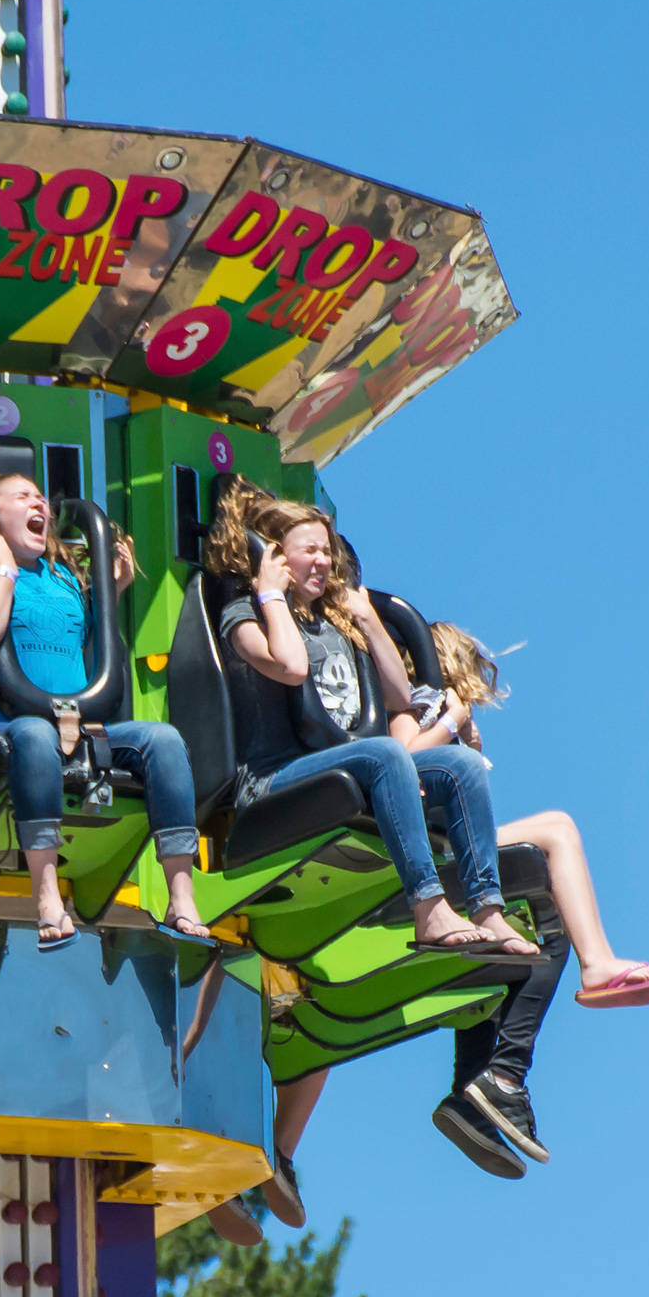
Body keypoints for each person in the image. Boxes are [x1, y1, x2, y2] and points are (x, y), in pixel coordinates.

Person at [203, 479, 532, 1226]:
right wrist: (270, 592)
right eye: (308, 550)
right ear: (274, 556)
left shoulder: (343, 623)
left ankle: (484, 903)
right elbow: (286, 666)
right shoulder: (242, 615)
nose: (324, 560)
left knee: (457, 767)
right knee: (386, 758)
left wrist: (369, 624)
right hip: (268, 788)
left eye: (329, 550)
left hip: (347, 770)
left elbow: (407, 701)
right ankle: (428, 905)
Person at [392, 620, 649, 1170]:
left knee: (538, 924)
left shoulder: (443, 718)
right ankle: (592, 970)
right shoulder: (414, 707)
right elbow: (401, 762)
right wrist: (449, 721)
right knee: (558, 830)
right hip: (418, 867)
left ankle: (481, 1088)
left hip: (444, 854)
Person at [0, 470, 208, 951]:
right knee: (35, 737)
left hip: (77, 728)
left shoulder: (63, 577)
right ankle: (46, 896)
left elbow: (82, 659)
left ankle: (181, 899)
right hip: (10, 730)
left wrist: (112, 593)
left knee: (163, 739)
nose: (38, 502)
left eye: (41, 495)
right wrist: (3, 573)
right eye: (23, 496)